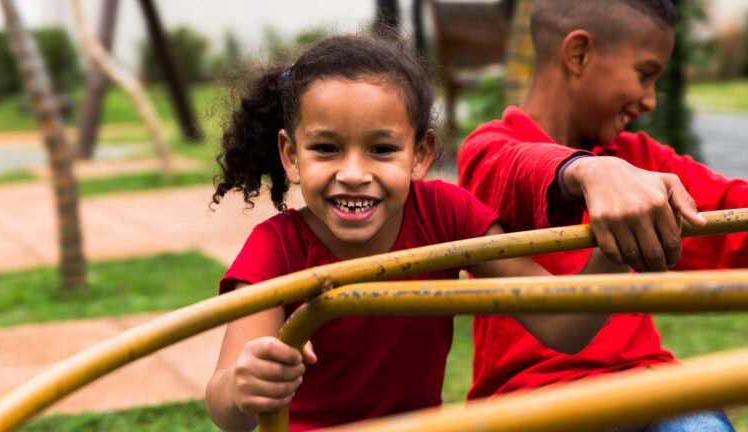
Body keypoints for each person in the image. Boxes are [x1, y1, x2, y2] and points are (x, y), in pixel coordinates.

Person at [204, 34, 624, 432]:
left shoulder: (447, 215)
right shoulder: (274, 248)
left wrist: (618, 245)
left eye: (382, 149)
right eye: (326, 149)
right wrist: (243, 385)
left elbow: (564, 327)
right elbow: (227, 413)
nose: (353, 174)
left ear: (420, 154)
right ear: (291, 156)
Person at [458, 0, 746, 430]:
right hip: (533, 399)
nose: (649, 100)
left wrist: (613, 168)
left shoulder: (639, 157)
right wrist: (587, 171)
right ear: (578, 54)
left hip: (646, 388)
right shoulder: (489, 150)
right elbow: (515, 168)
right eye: (644, 74)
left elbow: (726, 211)